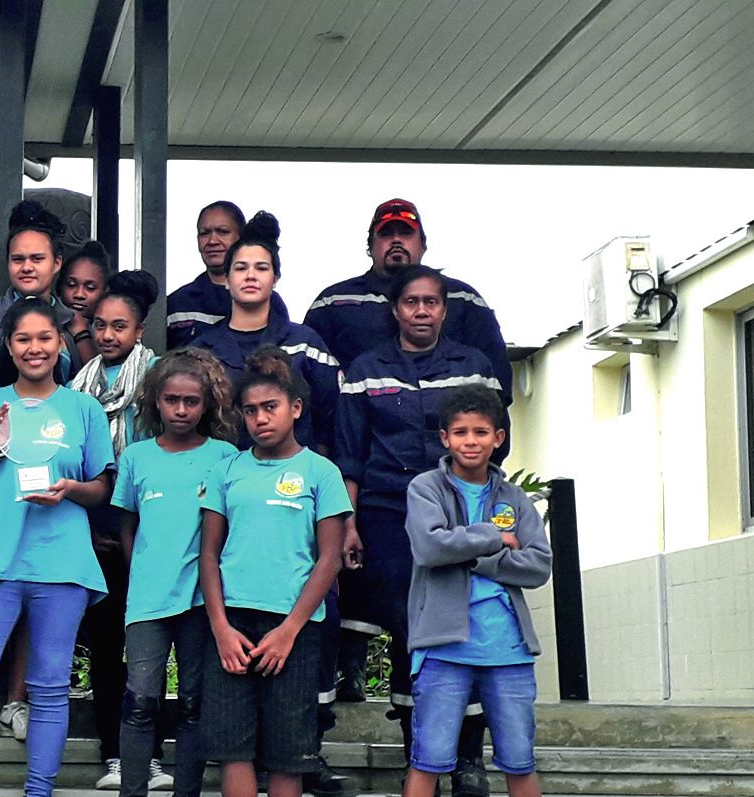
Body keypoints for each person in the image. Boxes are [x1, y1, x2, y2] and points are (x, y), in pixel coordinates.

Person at [0, 299, 114, 797]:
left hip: (63, 564)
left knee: (50, 687)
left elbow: (103, 487)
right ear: (9, 348)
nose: (35, 348)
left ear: (60, 343)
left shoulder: (84, 408)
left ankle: (40, 792)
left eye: (44, 338)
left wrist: (69, 489)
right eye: (23, 340)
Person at [333, 265, 505, 797]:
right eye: (412, 303)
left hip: (460, 513)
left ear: (444, 309)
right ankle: (422, 760)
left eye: (431, 302)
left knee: (465, 633)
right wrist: (350, 527)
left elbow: (496, 448)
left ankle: (468, 760)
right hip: (387, 516)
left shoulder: (473, 366)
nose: (422, 311)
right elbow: (350, 457)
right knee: (413, 635)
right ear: (396, 309)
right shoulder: (364, 369)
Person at [199, 350, 349, 797]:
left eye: (271, 407)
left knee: (289, 752)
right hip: (233, 626)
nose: (260, 419)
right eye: (250, 410)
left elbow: (330, 559)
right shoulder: (226, 469)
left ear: (295, 409)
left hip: (295, 628)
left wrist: (289, 631)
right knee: (233, 748)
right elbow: (208, 555)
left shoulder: (321, 472)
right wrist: (221, 628)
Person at [403, 385, 550, 797]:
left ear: (498, 438)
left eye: (482, 432)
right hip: (443, 645)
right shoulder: (425, 488)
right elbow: (430, 547)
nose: (471, 441)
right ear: (445, 438)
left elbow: (538, 565)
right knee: (427, 758)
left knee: (520, 759)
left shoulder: (514, 498)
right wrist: (494, 538)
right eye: (461, 432)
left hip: (508, 647)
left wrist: (470, 552)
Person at [113, 348, 238, 797]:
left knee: (193, 703)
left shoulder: (225, 457)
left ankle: (186, 792)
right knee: (141, 699)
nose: (181, 409)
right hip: (147, 598)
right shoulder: (137, 457)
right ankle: (133, 790)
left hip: (203, 600)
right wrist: (141, 569)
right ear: (155, 402)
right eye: (171, 400)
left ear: (207, 405)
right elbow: (126, 522)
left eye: (191, 401)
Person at [68, 270, 167, 790]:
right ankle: (114, 753)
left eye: (120, 327)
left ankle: (148, 756)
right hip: (94, 530)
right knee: (106, 648)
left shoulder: (157, 383)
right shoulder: (78, 386)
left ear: (140, 329)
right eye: (100, 326)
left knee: (148, 652)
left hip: (151, 535)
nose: (108, 336)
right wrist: (87, 524)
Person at [303, 198, 510, 391]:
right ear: (370, 246)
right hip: (359, 425)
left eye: (406, 233)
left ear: (423, 244)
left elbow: (497, 382)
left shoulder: (463, 299)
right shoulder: (332, 303)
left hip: (447, 426)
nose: (396, 240)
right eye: (385, 234)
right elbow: (306, 384)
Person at [189, 211, 340, 454]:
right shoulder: (201, 351)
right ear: (226, 279)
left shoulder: (306, 344)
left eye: (261, 268)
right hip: (221, 478)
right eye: (240, 268)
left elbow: (332, 419)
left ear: (275, 278)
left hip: (295, 479)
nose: (250, 276)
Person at [0, 199, 89, 419]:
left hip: (61, 443)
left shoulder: (72, 322)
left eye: (37, 259)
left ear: (57, 263)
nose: (27, 267)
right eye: (18, 259)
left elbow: (87, 392)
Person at [166, 200, 287, 349]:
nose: (212, 241)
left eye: (222, 231)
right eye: (204, 233)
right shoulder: (177, 303)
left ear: (240, 238)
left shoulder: (270, 302)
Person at [57, 240, 114, 362]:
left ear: (105, 291)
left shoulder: (110, 333)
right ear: (59, 287)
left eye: (90, 288)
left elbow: (96, 376)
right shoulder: (48, 324)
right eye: (71, 285)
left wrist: (81, 333)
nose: (79, 294)